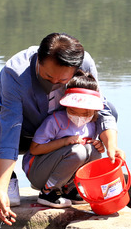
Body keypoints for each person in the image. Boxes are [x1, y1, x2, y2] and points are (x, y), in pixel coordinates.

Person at [0, 32, 123, 224]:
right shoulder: (15, 73)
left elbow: (102, 110)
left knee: (108, 113)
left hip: (57, 131)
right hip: (19, 131)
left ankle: (69, 184)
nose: (53, 84)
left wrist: (111, 148)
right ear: (38, 61)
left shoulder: (85, 64)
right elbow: (9, 129)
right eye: (48, 76)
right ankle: (10, 181)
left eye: (61, 81)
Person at [24, 70, 104, 208]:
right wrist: (64, 142)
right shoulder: (55, 121)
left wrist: (98, 144)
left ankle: (71, 189)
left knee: (94, 151)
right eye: (73, 111)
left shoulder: (92, 124)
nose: (79, 116)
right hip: (39, 172)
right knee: (77, 151)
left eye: (85, 113)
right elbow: (35, 149)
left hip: (65, 174)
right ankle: (48, 192)